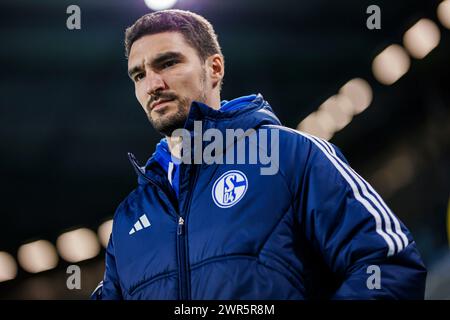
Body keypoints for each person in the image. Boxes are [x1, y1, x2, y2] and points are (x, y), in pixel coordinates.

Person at [91, 9, 426, 300]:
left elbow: (387, 264)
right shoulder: (129, 218)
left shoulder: (291, 156)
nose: (152, 84)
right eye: (139, 74)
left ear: (215, 68)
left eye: (168, 63)